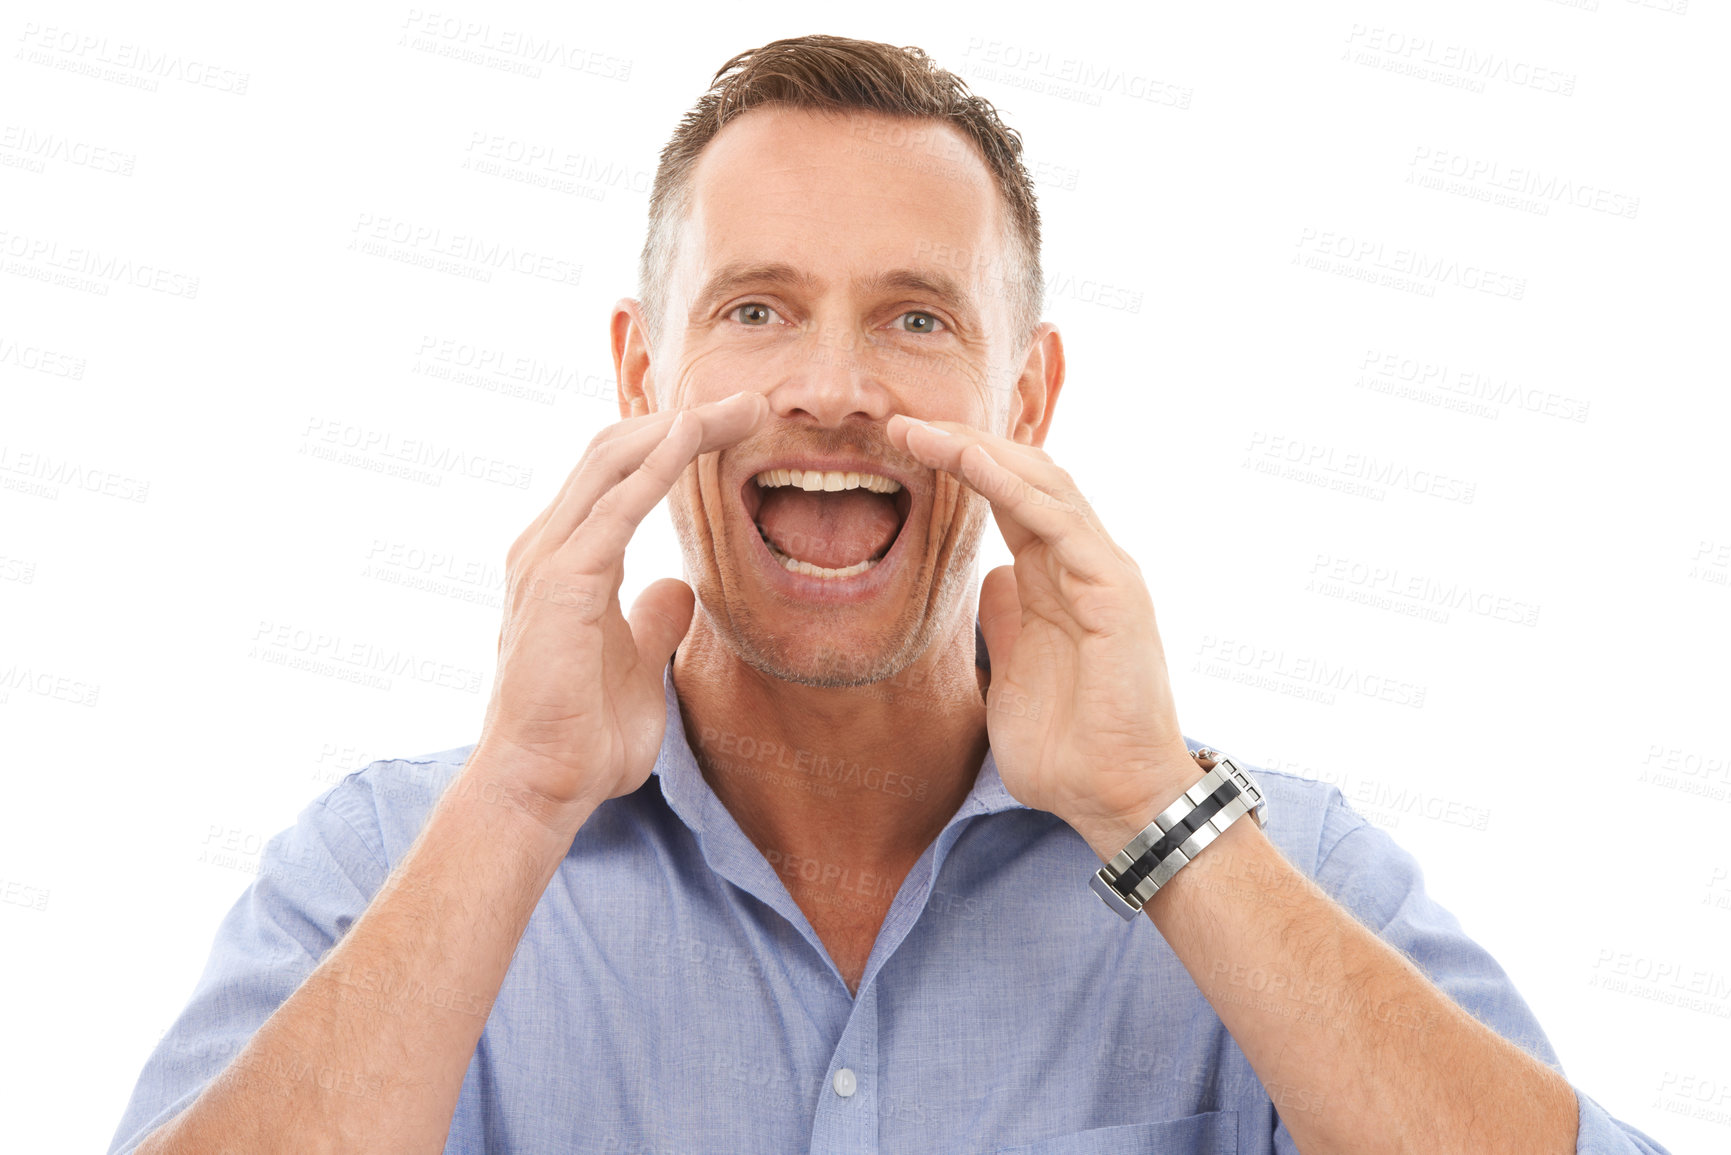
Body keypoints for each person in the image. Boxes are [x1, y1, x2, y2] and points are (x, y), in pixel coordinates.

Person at [109, 34, 1670, 1155]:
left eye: (918, 319)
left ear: (1027, 396)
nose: (834, 389)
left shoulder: (1279, 866)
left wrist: (1151, 811)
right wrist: (520, 799)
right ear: (641, 373)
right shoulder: (386, 863)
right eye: (756, 308)